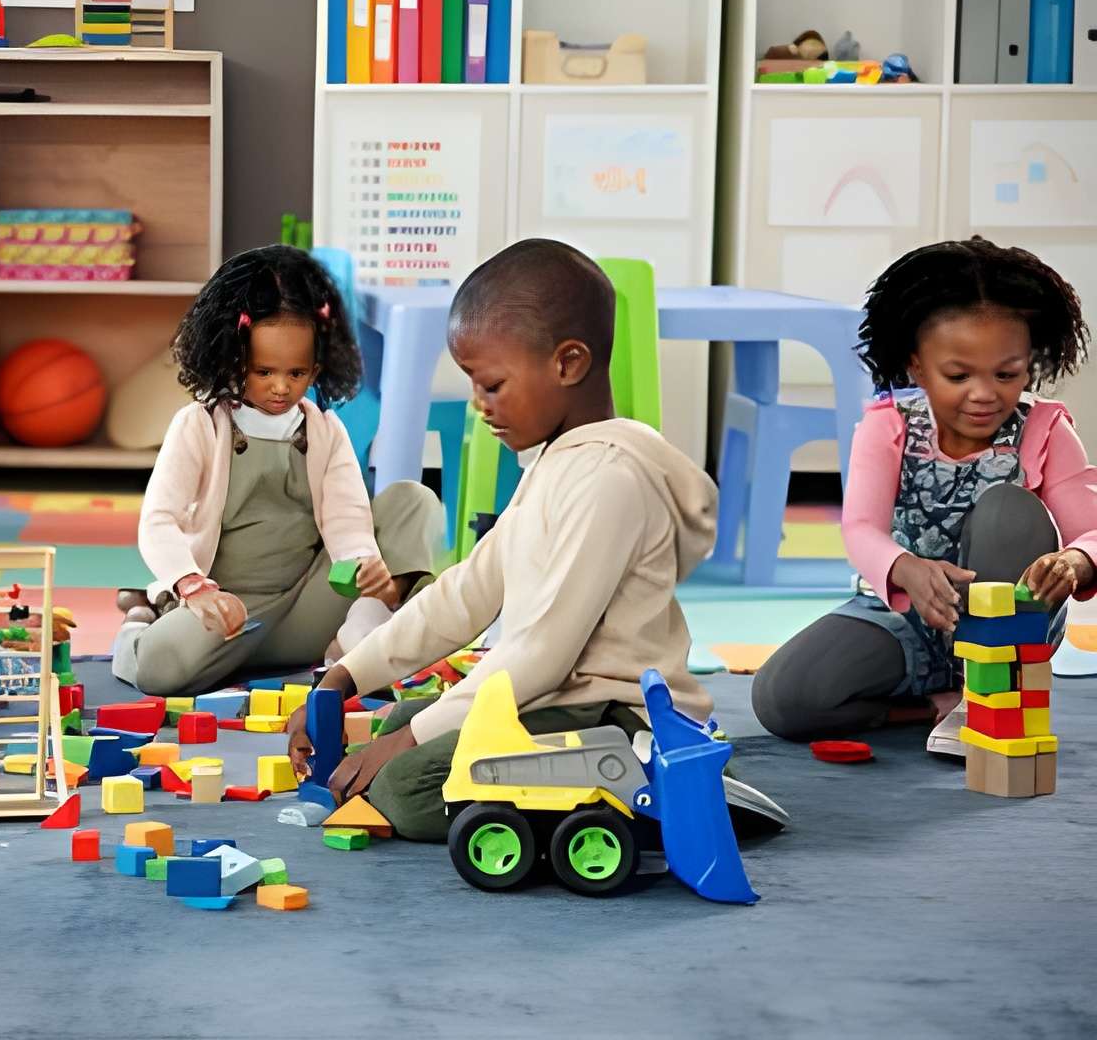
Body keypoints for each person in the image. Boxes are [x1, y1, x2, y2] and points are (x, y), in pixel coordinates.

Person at [284, 239, 719, 841]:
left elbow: (542, 652)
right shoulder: (556, 462)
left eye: (491, 384)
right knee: (403, 719)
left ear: (568, 363)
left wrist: (406, 745)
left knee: (404, 786)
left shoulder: (609, 481)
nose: (479, 405)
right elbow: (466, 591)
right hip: (563, 696)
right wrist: (346, 677)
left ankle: (632, 788)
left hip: (616, 715)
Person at [752, 239, 1094, 753]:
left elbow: (1091, 530)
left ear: (1030, 364)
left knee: (1008, 509)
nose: (984, 394)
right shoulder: (888, 425)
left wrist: (1075, 561)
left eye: (1006, 374)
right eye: (958, 375)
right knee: (783, 698)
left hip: (1006, 628)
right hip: (902, 622)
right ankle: (935, 704)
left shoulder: (1044, 429)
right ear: (917, 366)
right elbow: (861, 528)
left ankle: (988, 694)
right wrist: (905, 568)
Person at [114, 244, 444, 697]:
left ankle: (364, 627)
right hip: (226, 611)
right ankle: (140, 619)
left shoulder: (324, 429)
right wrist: (193, 586)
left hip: (307, 606)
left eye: (297, 373)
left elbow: (348, 514)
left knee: (412, 499)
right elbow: (159, 519)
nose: (281, 387)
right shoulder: (200, 424)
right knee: (158, 669)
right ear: (233, 359)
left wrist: (362, 562)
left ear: (317, 369)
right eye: (264, 371)